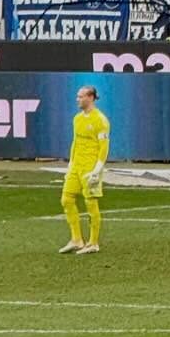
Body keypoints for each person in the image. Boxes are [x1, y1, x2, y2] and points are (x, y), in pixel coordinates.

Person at [60, 85, 109, 256]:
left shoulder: (100, 120)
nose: (77, 99)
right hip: (76, 166)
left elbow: (104, 146)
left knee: (91, 202)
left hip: (90, 167)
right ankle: (76, 239)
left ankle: (93, 242)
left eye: (80, 96)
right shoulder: (77, 119)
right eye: (77, 96)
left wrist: (97, 169)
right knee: (66, 199)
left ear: (90, 97)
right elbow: (75, 142)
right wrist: (70, 164)